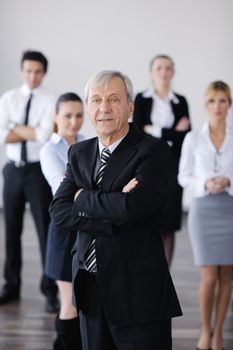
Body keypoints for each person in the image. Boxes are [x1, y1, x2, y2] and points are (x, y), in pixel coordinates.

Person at [49, 70, 182, 350]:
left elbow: (135, 207)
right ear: (88, 108)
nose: (104, 108)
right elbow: (59, 211)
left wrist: (83, 198)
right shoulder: (79, 152)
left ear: (130, 106)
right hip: (89, 287)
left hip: (138, 294)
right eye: (96, 100)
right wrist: (113, 207)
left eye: (113, 99)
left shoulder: (153, 151)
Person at [0, 50, 59, 312]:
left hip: (38, 172)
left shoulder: (51, 100)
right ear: (22, 71)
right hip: (13, 170)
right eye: (27, 71)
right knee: (11, 231)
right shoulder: (9, 98)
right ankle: (11, 286)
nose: (32, 76)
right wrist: (31, 131)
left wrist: (15, 128)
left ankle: (50, 290)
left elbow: (45, 135)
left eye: (37, 71)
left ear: (43, 72)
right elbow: (1, 135)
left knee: (45, 231)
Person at [178, 81, 233, 350]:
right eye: (212, 101)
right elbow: (183, 176)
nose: (217, 106)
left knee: (227, 276)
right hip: (202, 210)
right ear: (206, 105)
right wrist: (206, 184)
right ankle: (205, 329)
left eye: (223, 101)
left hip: (230, 208)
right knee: (209, 275)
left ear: (229, 104)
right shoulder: (193, 138)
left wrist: (229, 181)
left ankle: (219, 332)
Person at [133, 54, 191, 266]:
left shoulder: (180, 101)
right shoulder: (141, 99)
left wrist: (155, 130)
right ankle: (147, 271)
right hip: (146, 166)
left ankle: (164, 273)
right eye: (159, 68)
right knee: (147, 218)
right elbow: (138, 132)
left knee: (169, 222)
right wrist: (172, 132)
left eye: (168, 68)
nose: (163, 72)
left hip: (173, 167)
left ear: (173, 72)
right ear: (151, 72)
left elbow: (187, 136)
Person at [40, 92, 84, 349]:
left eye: (79, 115)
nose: (74, 121)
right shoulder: (49, 150)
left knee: (83, 303)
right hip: (64, 232)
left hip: (86, 229)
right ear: (55, 117)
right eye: (67, 115)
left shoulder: (88, 144)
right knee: (69, 304)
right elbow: (61, 188)